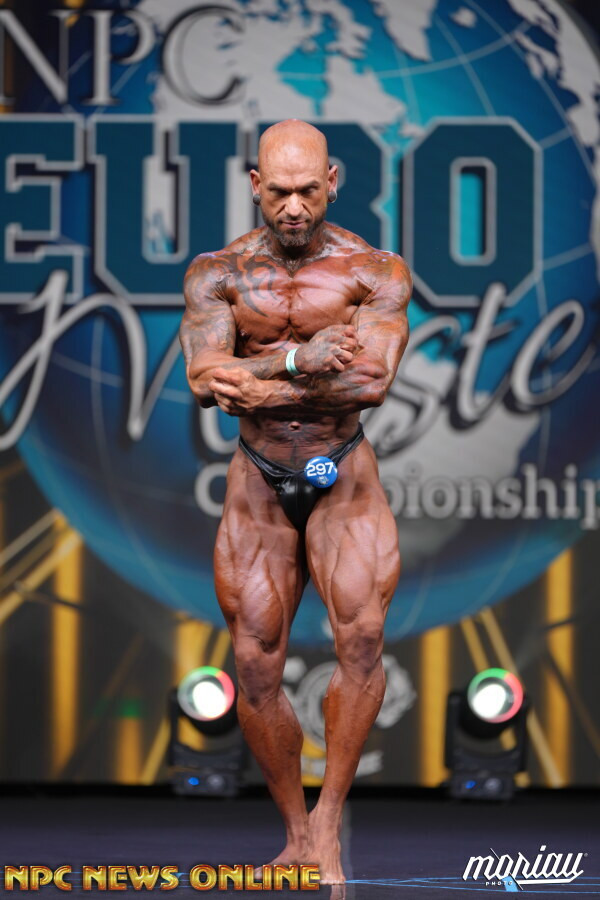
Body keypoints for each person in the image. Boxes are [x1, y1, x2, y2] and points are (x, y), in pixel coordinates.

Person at [179, 119, 411, 885]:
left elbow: (368, 381)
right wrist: (296, 360)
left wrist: (257, 384)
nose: (293, 207)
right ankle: (295, 833)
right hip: (258, 480)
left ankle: (328, 823)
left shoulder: (373, 271)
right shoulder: (217, 274)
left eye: (308, 190)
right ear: (255, 185)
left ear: (331, 183)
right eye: (278, 191)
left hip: (341, 472)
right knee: (254, 665)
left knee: (363, 640)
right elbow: (203, 376)